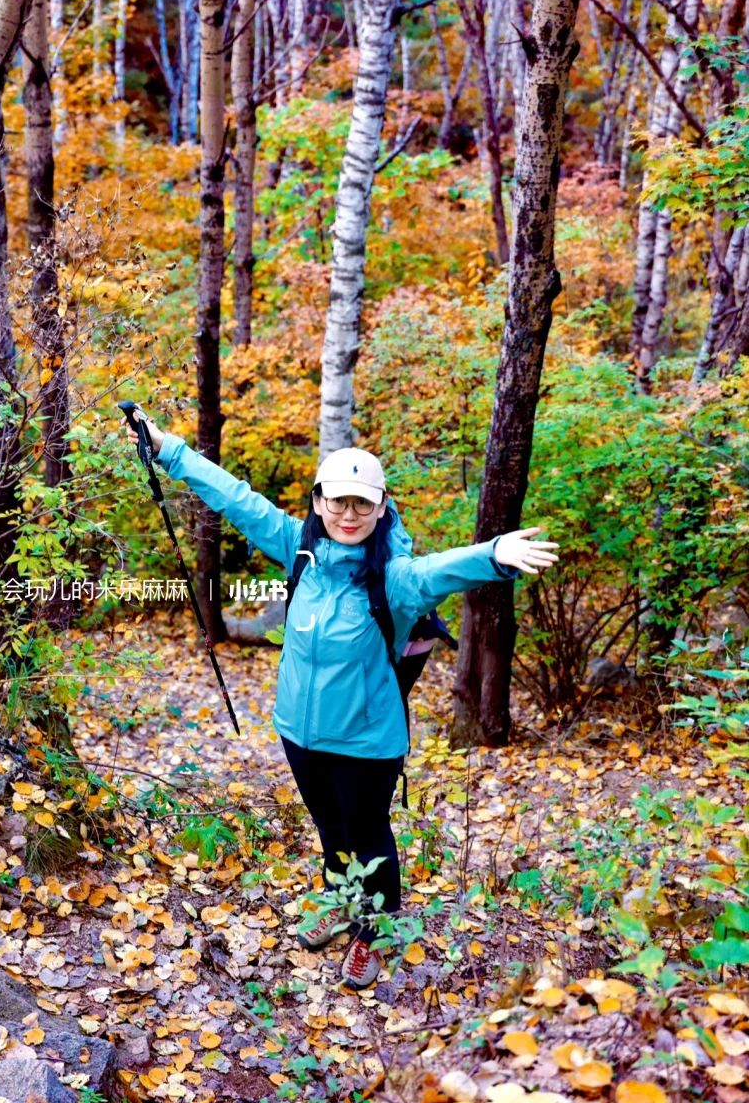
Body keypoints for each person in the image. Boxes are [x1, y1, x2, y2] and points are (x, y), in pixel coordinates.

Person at [127, 414, 558, 989]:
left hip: (365, 741)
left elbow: (440, 571)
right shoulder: (298, 551)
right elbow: (238, 500)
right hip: (299, 734)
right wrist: (167, 450)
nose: (348, 515)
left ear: (382, 508)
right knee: (329, 826)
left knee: (368, 836)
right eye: (338, 502)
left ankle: (372, 930)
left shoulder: (394, 579)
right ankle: (339, 898)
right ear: (318, 502)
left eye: (362, 504)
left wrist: (496, 554)